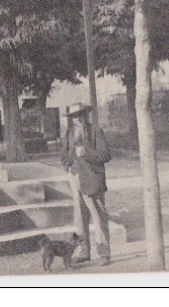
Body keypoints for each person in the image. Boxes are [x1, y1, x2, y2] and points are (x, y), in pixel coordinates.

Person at [61, 103, 112, 266]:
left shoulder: (96, 131)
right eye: (74, 117)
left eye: (79, 115)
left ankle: (104, 253)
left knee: (98, 215)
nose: (77, 119)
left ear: (85, 116)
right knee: (80, 217)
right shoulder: (69, 133)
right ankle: (84, 252)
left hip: (92, 178)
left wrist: (87, 153)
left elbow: (106, 155)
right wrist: (68, 165)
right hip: (75, 177)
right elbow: (64, 154)